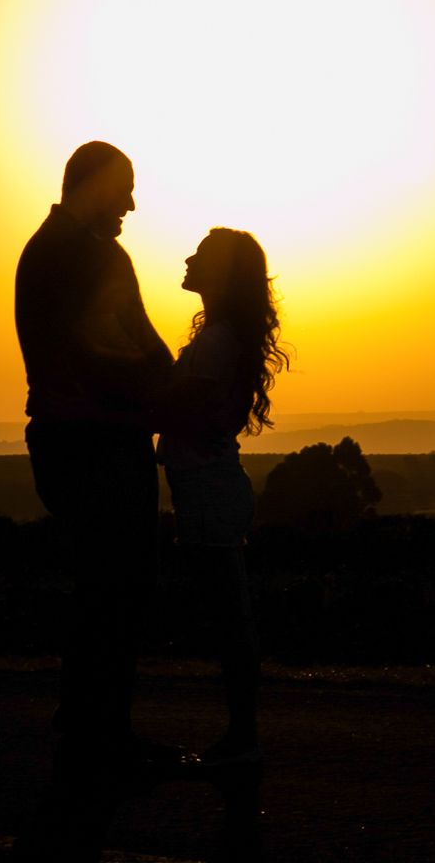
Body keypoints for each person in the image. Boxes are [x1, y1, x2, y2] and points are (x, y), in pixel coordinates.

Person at [13, 141, 174, 764]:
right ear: (94, 182)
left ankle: (87, 724)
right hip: (95, 438)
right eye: (124, 187)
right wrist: (167, 395)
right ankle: (102, 735)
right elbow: (112, 349)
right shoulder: (76, 254)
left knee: (103, 586)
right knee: (119, 587)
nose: (132, 203)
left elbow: (134, 339)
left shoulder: (61, 250)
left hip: (79, 437)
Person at [154, 227, 289, 765]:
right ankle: (241, 733)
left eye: (201, 256)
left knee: (229, 616)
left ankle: (244, 736)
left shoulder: (216, 342)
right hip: (210, 484)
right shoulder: (222, 336)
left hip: (208, 486)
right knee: (226, 613)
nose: (187, 260)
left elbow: (185, 412)